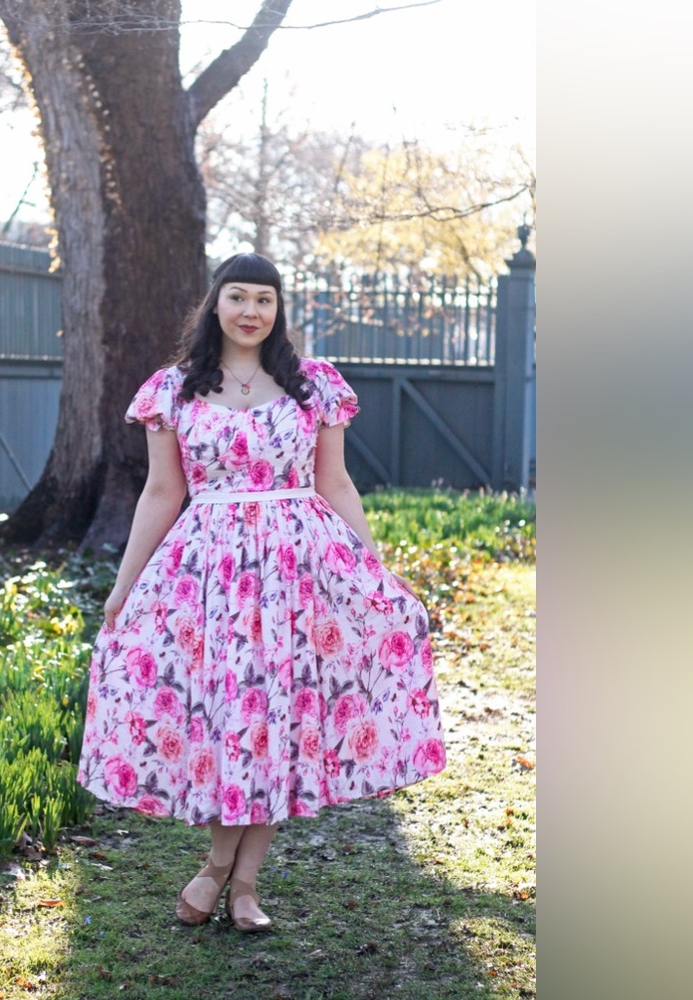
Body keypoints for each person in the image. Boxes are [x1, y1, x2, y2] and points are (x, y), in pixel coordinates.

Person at [77, 252, 446, 933]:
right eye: (239, 297)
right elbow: (163, 492)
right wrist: (124, 587)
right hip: (210, 576)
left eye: (265, 300)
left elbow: (334, 483)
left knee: (278, 720)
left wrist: (375, 572)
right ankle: (222, 871)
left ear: (278, 311)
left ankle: (237, 882)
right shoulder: (174, 391)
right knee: (233, 721)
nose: (252, 310)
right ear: (215, 304)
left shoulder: (313, 385)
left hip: (299, 571)